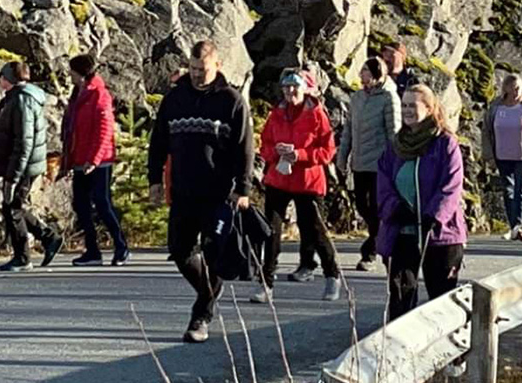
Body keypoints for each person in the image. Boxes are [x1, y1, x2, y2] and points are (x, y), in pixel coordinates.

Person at [148, 41, 255, 344]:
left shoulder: (231, 100)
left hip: (218, 193)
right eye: (193, 69)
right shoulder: (175, 98)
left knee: (215, 255)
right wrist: (154, 180)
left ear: (217, 66)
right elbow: (158, 143)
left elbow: (245, 148)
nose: (197, 75)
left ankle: (201, 315)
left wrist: (243, 187)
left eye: (203, 70)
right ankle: (207, 295)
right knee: (180, 250)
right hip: (182, 190)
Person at [377, 84, 467, 320]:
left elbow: (452, 185)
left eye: (412, 105)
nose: (406, 110)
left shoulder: (445, 143)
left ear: (428, 108)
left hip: (438, 234)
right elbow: (383, 181)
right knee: (400, 296)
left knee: (441, 299)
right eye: (404, 105)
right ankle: (399, 350)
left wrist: (434, 216)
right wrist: (394, 209)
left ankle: (450, 352)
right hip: (401, 231)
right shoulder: (395, 145)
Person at [254, 69, 342, 303]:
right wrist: (276, 153)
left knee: (314, 230)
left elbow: (328, 150)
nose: (290, 91)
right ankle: (267, 283)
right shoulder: (277, 113)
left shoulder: (317, 114)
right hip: (279, 179)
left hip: (308, 182)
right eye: (286, 86)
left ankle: (332, 275)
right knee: (270, 232)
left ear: (306, 89)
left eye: (295, 86)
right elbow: (265, 145)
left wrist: (300, 154)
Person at [0, 61, 63, 272]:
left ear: (9, 79)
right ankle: (49, 237)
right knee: (14, 206)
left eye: (1, 76)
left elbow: (24, 142)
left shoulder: (21, 101)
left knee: (12, 207)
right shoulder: (19, 98)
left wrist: (13, 175)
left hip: (23, 165)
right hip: (23, 163)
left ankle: (23, 257)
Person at [61, 54, 129, 266]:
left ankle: (121, 246)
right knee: (80, 205)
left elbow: (104, 130)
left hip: (99, 161)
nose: (69, 74)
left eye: (72, 70)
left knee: (102, 203)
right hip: (80, 159)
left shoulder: (99, 95)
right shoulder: (77, 94)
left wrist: (94, 159)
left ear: (80, 72)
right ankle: (92, 250)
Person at [338, 56, 400, 271]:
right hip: (359, 163)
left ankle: (371, 251)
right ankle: (380, 238)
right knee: (362, 206)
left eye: (365, 70)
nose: (361, 73)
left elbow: (394, 132)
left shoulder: (389, 98)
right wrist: (342, 156)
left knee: (375, 206)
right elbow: (348, 130)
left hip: (379, 164)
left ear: (375, 73)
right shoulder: (356, 97)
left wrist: (394, 162)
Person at [480, 73, 522, 242]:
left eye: (519, 87)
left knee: (521, 191)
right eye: (514, 87)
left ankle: (518, 226)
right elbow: (486, 131)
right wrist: (489, 156)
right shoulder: (496, 106)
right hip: (502, 156)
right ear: (506, 88)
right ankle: (513, 227)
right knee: (508, 191)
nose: (517, 90)